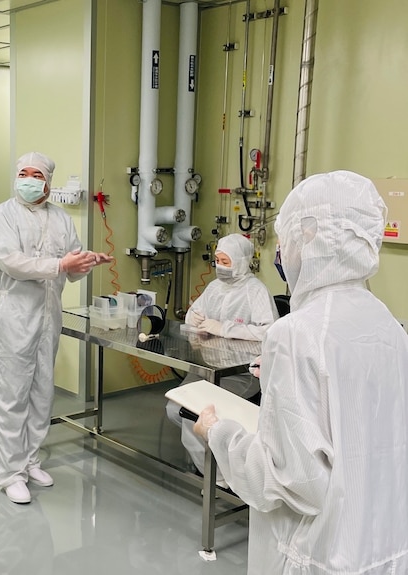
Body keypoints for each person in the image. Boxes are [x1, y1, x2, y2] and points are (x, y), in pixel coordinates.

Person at [193, 171, 408, 574]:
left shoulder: (298, 331)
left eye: (284, 239)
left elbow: (292, 482)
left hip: (315, 553)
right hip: (379, 546)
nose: (282, 252)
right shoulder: (387, 325)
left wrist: (219, 434)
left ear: (309, 237)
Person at [0, 151, 112, 504]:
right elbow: (11, 262)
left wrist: (86, 261)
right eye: (23, 173)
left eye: (36, 174)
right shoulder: (3, 214)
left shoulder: (60, 218)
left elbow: (71, 266)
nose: (28, 180)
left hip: (48, 314)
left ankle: (30, 461)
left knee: (43, 390)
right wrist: (62, 264)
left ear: (48, 181)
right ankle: (10, 472)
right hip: (15, 313)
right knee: (12, 393)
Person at [166, 234, 278, 482]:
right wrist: (194, 318)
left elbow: (269, 332)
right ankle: (210, 454)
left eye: (225, 261)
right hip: (208, 366)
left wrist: (225, 328)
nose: (219, 266)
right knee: (174, 408)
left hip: (241, 374)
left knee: (191, 413)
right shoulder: (215, 287)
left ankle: (220, 480)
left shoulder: (255, 291)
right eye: (217, 260)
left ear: (240, 261)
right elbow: (195, 313)